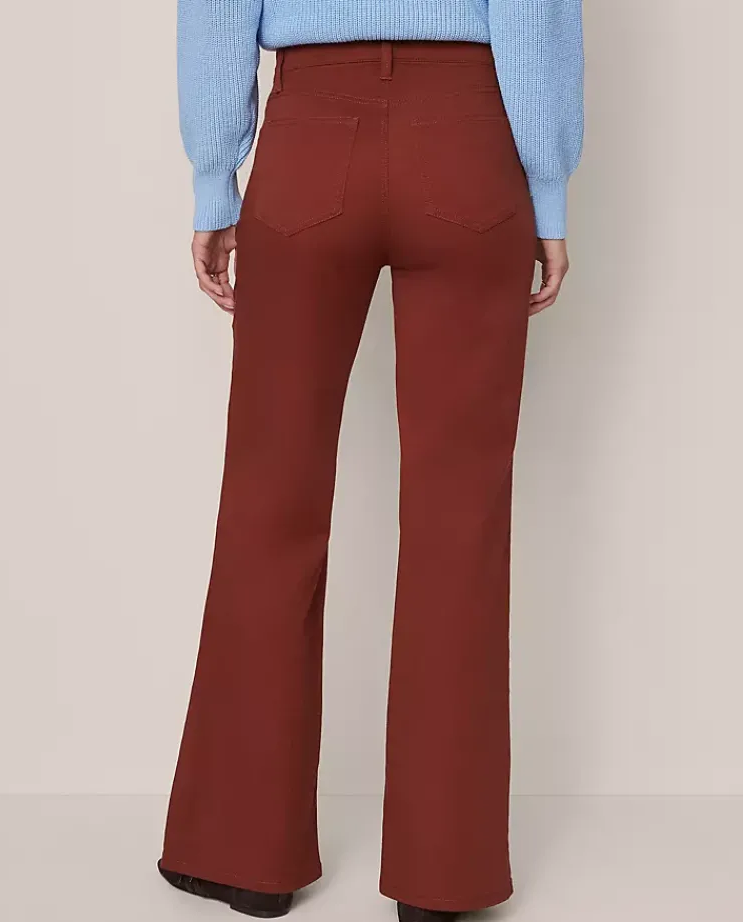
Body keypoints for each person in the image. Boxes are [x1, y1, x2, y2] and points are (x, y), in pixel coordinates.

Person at [157, 2, 583, 921]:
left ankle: (243, 854)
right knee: (459, 518)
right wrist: (547, 187)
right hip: (470, 139)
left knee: (269, 497)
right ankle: (443, 877)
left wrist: (213, 179)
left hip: (310, 137)